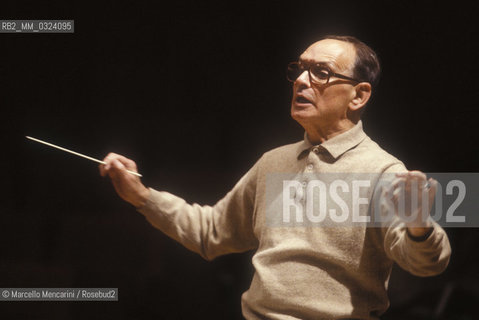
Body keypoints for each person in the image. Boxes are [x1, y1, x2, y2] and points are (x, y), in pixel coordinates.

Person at [99, 35, 451, 319]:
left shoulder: (383, 172)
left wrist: (420, 226)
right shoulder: (273, 162)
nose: (301, 80)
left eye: (321, 73)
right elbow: (211, 232)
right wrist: (142, 197)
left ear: (358, 95)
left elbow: (426, 264)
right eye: (300, 69)